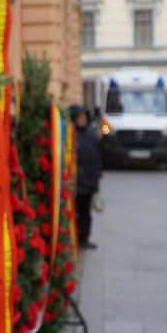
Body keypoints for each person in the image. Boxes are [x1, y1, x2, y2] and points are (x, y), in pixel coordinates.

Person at [70, 104, 102, 250]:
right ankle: (74, 238)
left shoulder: (91, 133)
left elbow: (96, 157)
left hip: (89, 181)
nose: (82, 120)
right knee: (75, 211)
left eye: (84, 117)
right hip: (76, 181)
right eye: (79, 117)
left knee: (86, 213)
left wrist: (97, 179)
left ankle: (85, 238)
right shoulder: (71, 134)